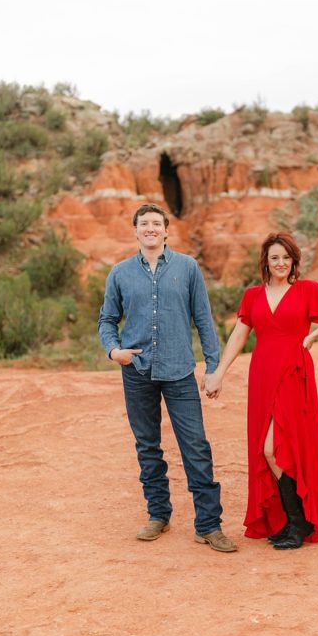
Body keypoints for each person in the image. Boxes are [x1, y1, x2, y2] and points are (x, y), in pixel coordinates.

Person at [203, 232, 318, 550]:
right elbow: (238, 336)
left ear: (294, 261)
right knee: (265, 448)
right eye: (275, 258)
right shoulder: (252, 296)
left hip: (293, 373)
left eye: (286, 257)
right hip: (262, 375)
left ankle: (299, 523)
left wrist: (315, 334)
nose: (281, 263)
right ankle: (290, 520)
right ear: (266, 262)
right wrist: (219, 372)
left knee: (278, 447)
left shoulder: (306, 290)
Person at [98, 202, 237, 552]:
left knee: (196, 447)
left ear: (165, 230)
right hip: (137, 372)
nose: (150, 228)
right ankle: (158, 515)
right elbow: (106, 320)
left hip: (179, 372)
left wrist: (213, 368)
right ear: (135, 230)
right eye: (143, 223)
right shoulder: (120, 273)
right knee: (147, 446)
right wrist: (114, 351)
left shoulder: (188, 268)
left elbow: (204, 320)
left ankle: (208, 524)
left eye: (156, 223)